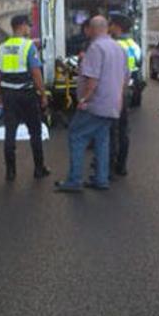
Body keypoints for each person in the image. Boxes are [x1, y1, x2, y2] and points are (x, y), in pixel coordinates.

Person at [54, 15, 129, 192]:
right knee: (102, 139)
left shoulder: (95, 48)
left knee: (76, 135)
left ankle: (74, 180)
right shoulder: (118, 48)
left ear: (93, 29)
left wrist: (84, 99)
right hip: (113, 104)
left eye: (87, 28)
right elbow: (125, 79)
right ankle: (101, 179)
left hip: (96, 104)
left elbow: (92, 79)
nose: (85, 31)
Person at [0, 15, 51, 181]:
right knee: (35, 131)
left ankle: (10, 172)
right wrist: (43, 93)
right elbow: (35, 72)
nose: (29, 29)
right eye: (28, 26)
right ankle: (39, 169)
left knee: (10, 132)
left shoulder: (2, 47)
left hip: (8, 95)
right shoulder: (28, 46)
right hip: (26, 94)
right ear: (22, 26)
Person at [108, 13, 141, 176]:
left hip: (114, 91)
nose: (109, 27)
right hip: (127, 90)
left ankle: (110, 166)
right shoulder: (133, 45)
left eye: (111, 24)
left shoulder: (113, 46)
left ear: (117, 27)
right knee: (123, 130)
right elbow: (138, 64)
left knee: (111, 130)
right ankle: (122, 166)